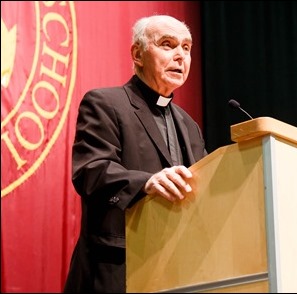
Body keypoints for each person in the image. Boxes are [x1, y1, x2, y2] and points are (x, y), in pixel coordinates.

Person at [63, 15, 208, 293]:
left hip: (178, 271)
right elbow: (91, 171)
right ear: (138, 54)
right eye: (168, 44)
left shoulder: (190, 126)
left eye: (187, 48)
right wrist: (145, 183)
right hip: (115, 268)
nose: (180, 56)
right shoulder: (105, 103)